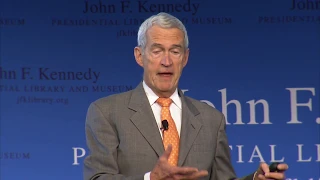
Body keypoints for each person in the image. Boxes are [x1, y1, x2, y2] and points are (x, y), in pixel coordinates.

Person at [83, 12, 289, 180]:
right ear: (139, 56)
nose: (166, 61)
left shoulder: (211, 120)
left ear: (185, 58)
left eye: (175, 51)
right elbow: (98, 177)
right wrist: (150, 179)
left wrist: (255, 179)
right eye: (157, 51)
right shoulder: (107, 112)